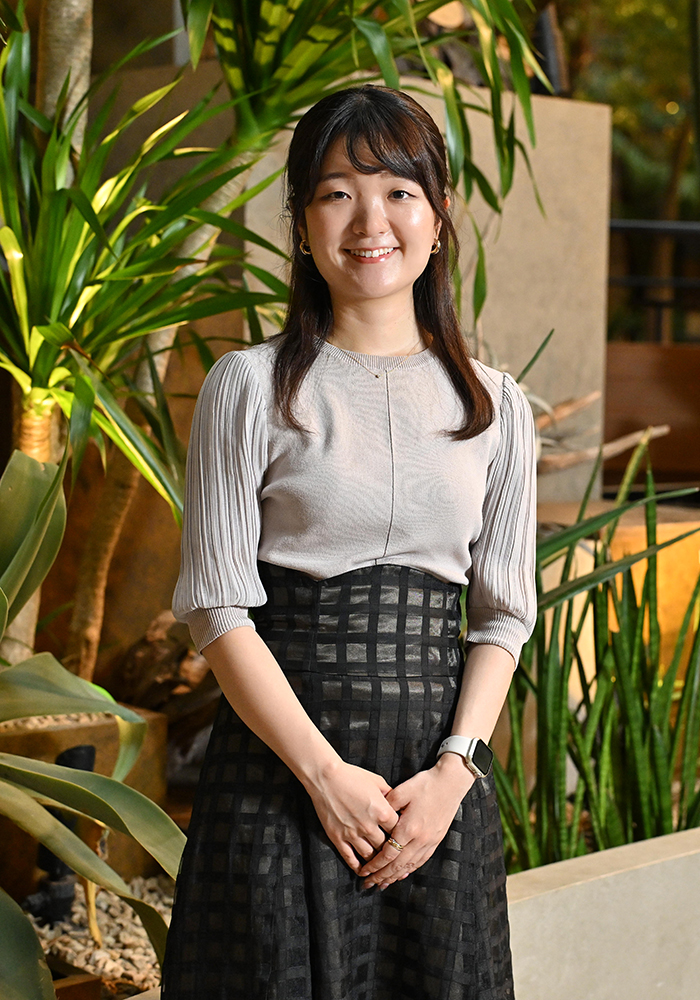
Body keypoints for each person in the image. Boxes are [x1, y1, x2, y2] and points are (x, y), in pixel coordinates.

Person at [162, 85, 536, 1000]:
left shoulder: (498, 405)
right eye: (337, 192)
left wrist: (453, 775)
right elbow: (216, 604)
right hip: (281, 771)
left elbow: (503, 615)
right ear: (300, 224)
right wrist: (324, 776)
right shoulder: (247, 386)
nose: (370, 220)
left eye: (399, 192)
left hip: (431, 794)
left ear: (439, 217)